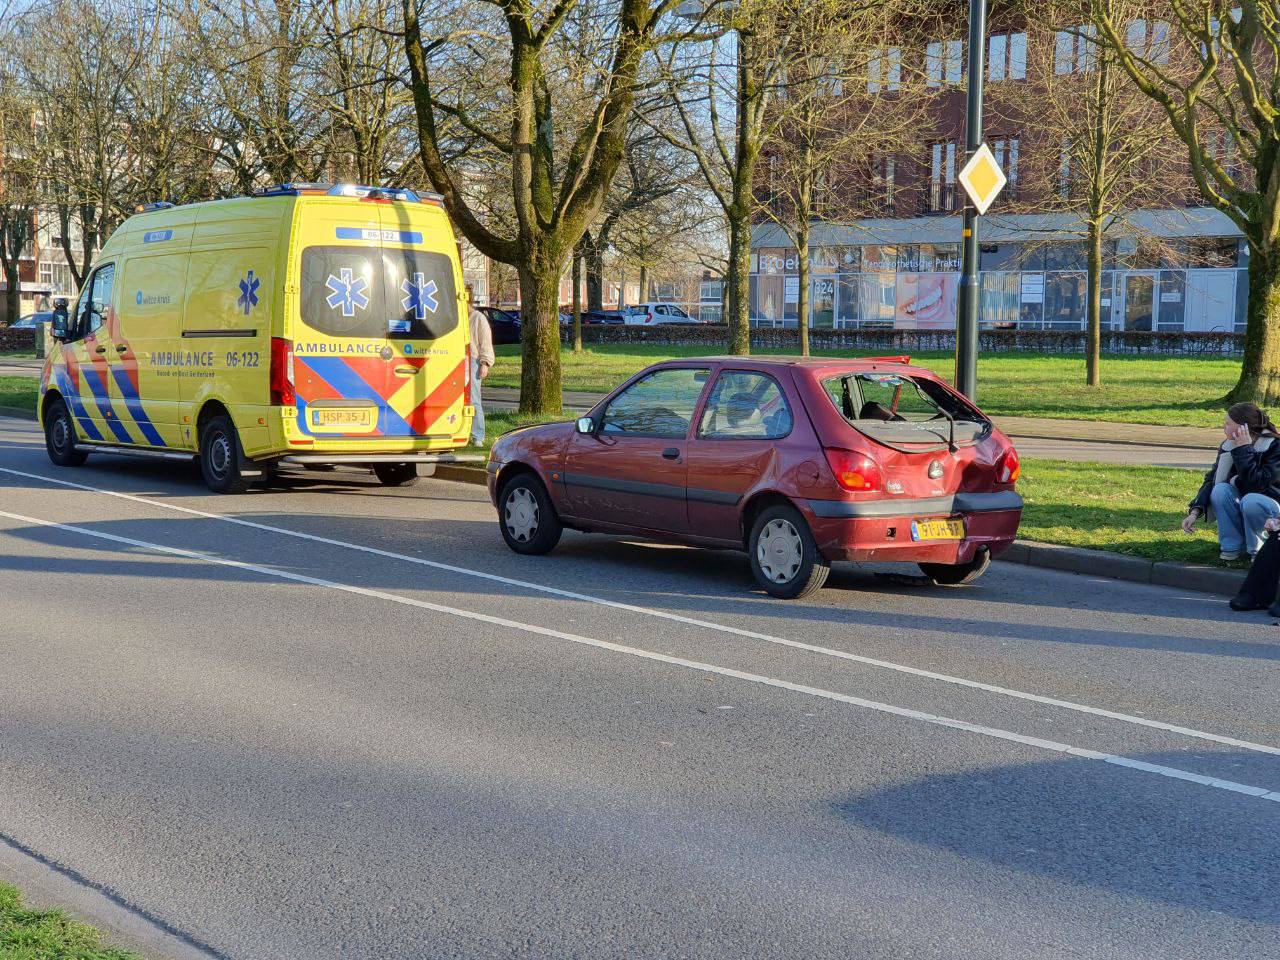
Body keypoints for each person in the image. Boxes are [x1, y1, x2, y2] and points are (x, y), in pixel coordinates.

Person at [1184, 402, 1280, 560]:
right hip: (1247, 504)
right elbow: (1211, 480)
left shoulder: (1275, 446)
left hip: (1273, 511)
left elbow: (1258, 485)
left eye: (1228, 423)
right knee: (1220, 490)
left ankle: (1258, 549)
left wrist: (1244, 451)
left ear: (1244, 427)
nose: (1224, 427)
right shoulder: (1228, 446)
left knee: (1251, 499)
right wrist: (1195, 512)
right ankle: (1232, 548)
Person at [466, 285, 494, 447]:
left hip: (474, 361)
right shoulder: (459, 318)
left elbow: (485, 341)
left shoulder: (478, 318)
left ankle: (478, 435)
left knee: (474, 399)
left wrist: (485, 363)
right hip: (460, 361)